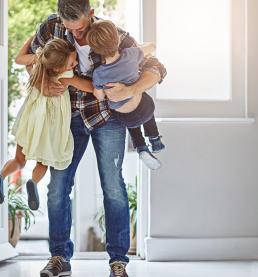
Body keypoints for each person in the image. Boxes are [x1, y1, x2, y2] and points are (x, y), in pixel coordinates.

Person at [29, 1, 166, 276]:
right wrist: (40, 81)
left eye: (80, 28)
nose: (76, 35)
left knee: (113, 187)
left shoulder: (111, 34)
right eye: (69, 29)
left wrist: (132, 87)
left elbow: (156, 67)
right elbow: (33, 60)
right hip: (67, 118)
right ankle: (59, 258)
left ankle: (118, 262)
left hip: (107, 117)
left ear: (90, 15)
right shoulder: (50, 28)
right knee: (57, 187)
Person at [0, 38, 94, 211]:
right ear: (57, 68)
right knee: (43, 162)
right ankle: (33, 182)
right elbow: (90, 87)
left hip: (30, 120)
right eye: (71, 63)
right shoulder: (65, 76)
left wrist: (31, 39)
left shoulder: (38, 64)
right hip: (50, 124)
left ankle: (0, 176)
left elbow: (18, 59)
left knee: (19, 160)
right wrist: (74, 81)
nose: (75, 63)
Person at [86, 20, 165, 170]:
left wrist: (102, 90)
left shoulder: (99, 74)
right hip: (145, 109)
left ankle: (141, 147)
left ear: (95, 50)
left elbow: (100, 96)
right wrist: (143, 46)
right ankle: (155, 139)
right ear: (117, 40)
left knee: (126, 116)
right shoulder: (131, 54)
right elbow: (152, 47)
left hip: (125, 119)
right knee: (145, 102)